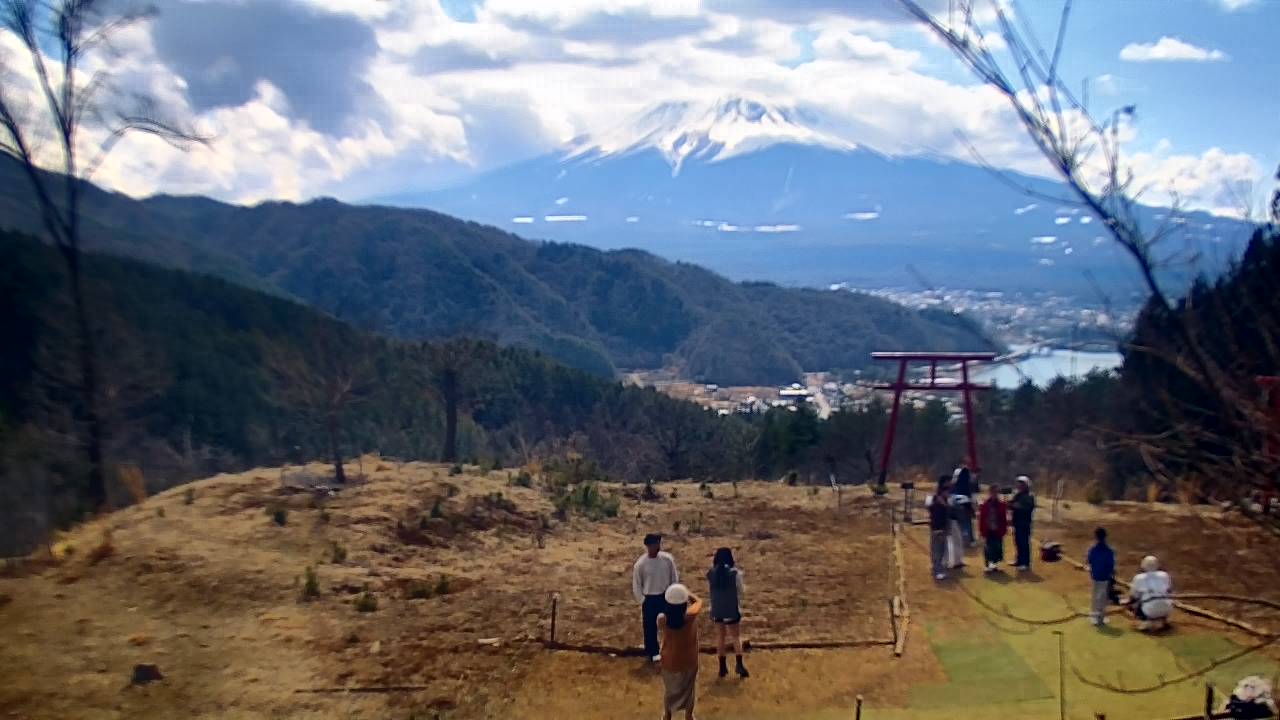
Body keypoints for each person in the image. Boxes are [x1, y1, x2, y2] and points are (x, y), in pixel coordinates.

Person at [658, 583, 703, 720]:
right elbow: (699, 601)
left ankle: (667, 715)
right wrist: (687, 592)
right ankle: (689, 716)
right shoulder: (690, 616)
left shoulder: (662, 619)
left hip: (669, 660)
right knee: (689, 690)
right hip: (689, 660)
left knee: (670, 690)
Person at [633, 533, 679, 662]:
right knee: (650, 627)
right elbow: (637, 584)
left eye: (658, 543)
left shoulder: (667, 559)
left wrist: (672, 594)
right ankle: (652, 652)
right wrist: (643, 600)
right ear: (648, 546)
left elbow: (674, 577)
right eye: (654, 544)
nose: (657, 546)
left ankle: (671, 650)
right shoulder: (641, 564)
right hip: (650, 598)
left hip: (666, 596)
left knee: (670, 625)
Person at [706, 547, 749, 679]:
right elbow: (742, 591)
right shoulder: (735, 573)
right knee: (736, 636)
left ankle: (722, 667)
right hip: (731, 608)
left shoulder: (711, 573)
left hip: (717, 609)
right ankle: (739, 664)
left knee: (721, 637)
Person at [1129, 555, 1173, 631]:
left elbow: (1133, 595)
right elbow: (1169, 590)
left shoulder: (1138, 577)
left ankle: (1146, 622)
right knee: (1165, 598)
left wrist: (1131, 604)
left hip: (1149, 610)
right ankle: (1163, 620)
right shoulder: (1165, 575)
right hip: (1168, 608)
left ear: (1143, 565)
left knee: (1135, 602)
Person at [1086, 527, 1116, 626]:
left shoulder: (1093, 550)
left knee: (1095, 596)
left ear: (1096, 537)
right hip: (1105, 576)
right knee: (1103, 597)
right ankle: (1101, 618)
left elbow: (1089, 561)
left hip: (1095, 575)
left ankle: (1094, 617)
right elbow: (1111, 565)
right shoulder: (1109, 551)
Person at [978, 483, 1008, 572]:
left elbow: (1003, 517)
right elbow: (982, 518)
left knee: (997, 546)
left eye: (996, 492)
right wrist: (981, 529)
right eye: (992, 492)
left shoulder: (1001, 504)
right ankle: (988, 564)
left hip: (998, 528)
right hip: (988, 528)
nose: (994, 494)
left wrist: (1004, 528)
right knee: (988, 547)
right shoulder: (986, 504)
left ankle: (995, 563)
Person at [927, 478, 952, 580]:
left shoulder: (945, 502)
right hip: (937, 528)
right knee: (937, 550)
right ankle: (938, 570)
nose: (948, 494)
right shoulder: (935, 501)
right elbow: (932, 512)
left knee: (941, 550)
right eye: (947, 492)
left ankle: (938, 568)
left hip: (942, 528)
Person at [1010, 475, 1036, 571]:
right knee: (1017, 542)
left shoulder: (1030, 496)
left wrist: (1019, 506)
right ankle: (1019, 560)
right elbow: (1012, 504)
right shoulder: (1018, 495)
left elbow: (1029, 508)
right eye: (1019, 484)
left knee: (1024, 543)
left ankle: (1025, 563)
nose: (1019, 486)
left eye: (1021, 484)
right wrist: (1010, 505)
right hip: (1017, 522)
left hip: (1025, 523)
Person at [953, 465, 976, 545]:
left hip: (959, 505)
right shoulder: (965, 483)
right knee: (966, 523)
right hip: (963, 505)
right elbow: (969, 495)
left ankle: (965, 539)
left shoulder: (958, 483)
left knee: (962, 524)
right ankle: (968, 539)